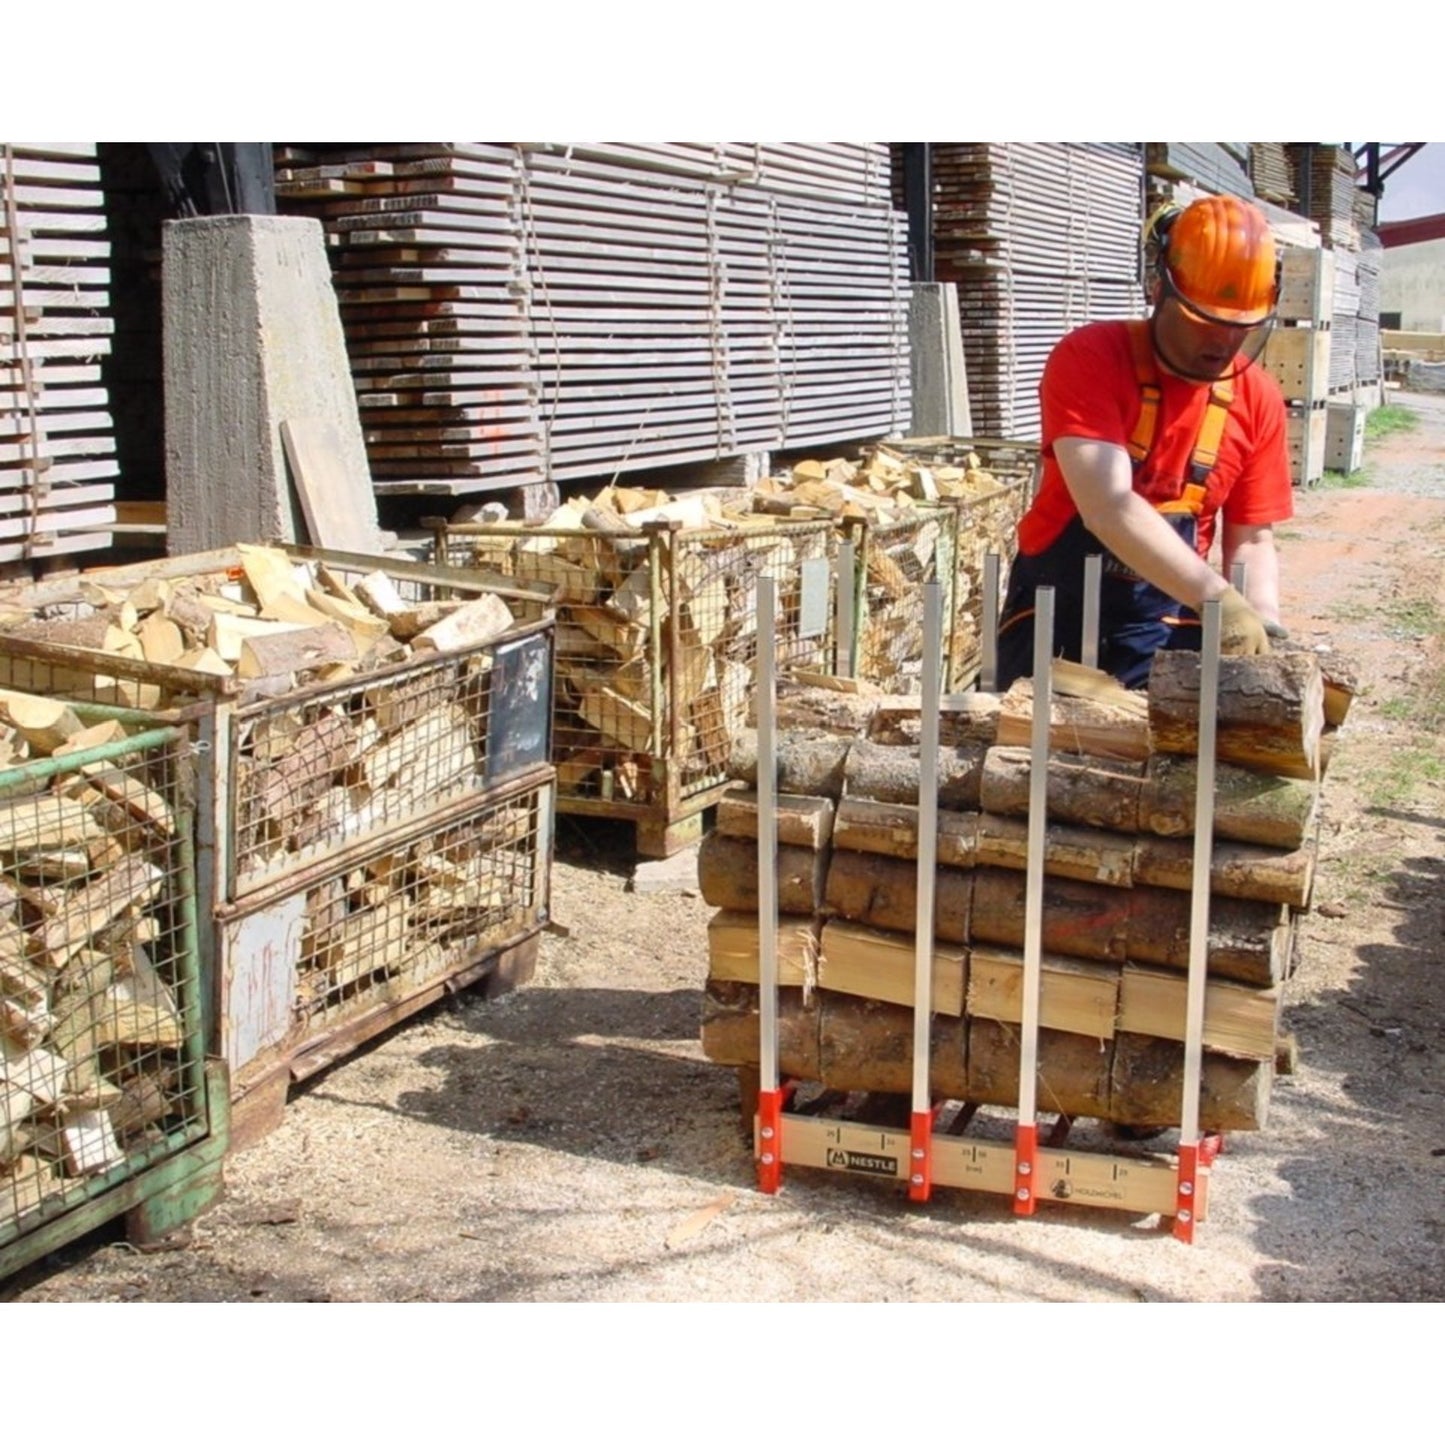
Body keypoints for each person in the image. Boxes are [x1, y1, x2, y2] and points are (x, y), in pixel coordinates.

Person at [994, 193, 1293, 691]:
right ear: (1159, 289)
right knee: (1030, 756)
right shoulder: (1090, 358)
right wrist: (1217, 596)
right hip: (1057, 610)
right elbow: (1107, 505)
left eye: (1239, 328)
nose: (1221, 343)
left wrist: (1260, 618)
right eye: (1204, 323)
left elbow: (1252, 538)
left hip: (1169, 619)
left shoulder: (1257, 398)